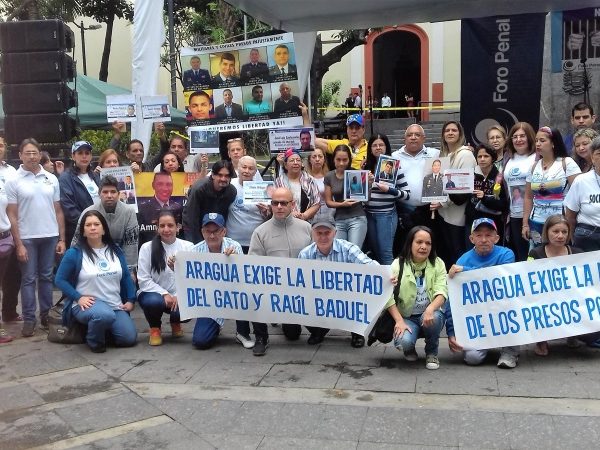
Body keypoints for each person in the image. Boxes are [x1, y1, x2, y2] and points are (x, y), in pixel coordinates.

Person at [55, 210, 137, 353]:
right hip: (87, 304)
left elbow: (125, 276)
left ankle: (100, 329)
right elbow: (60, 280)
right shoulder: (74, 253)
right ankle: (94, 341)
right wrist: (78, 297)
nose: (92, 228)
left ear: (104, 229)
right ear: (83, 231)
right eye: (88, 225)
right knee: (103, 315)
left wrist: (130, 299)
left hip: (114, 304)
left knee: (128, 338)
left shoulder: (116, 251)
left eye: (96, 224)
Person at [446, 218, 518, 368]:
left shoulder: (507, 254)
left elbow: (498, 279)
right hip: (479, 317)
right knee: (473, 358)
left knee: (516, 303)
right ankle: (484, 344)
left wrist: (466, 272)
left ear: (496, 238)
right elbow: (453, 300)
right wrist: (451, 332)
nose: (484, 240)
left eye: (489, 235)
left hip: (502, 309)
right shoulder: (463, 260)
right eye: (479, 235)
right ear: (471, 239)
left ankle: (510, 351)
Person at [248, 187, 312, 354]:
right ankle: (261, 337)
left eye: (283, 203)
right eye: (275, 203)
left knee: (293, 335)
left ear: (293, 204)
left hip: (300, 289)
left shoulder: (306, 228)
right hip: (271, 288)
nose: (279, 207)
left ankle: (289, 321)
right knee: (253, 294)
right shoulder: (260, 232)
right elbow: (254, 264)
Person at [298, 216, 378, 347]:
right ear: (312, 234)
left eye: (327, 233)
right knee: (299, 302)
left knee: (360, 297)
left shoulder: (348, 248)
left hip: (347, 296)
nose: (323, 237)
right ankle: (318, 331)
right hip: (319, 297)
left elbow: (368, 264)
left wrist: (385, 274)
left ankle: (357, 332)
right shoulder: (305, 254)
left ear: (335, 233)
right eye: (319, 233)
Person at [384, 226, 447, 369]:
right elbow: (387, 296)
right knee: (404, 342)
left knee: (436, 316)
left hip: (429, 315)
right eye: (419, 242)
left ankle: (432, 352)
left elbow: (442, 292)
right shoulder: (398, 264)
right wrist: (399, 321)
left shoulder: (438, 263)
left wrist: (430, 309)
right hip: (406, 317)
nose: (424, 246)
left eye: (428, 243)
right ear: (410, 243)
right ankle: (409, 348)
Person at [527, 215, 582, 356]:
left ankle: (574, 334)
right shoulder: (535, 253)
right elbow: (527, 280)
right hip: (544, 300)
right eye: (555, 231)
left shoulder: (578, 253)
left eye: (564, 232)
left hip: (571, 300)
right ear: (547, 232)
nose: (560, 236)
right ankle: (541, 341)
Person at [137, 211, 194, 346]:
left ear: (178, 227)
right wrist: (164, 293)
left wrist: (179, 295)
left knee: (186, 307)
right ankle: (155, 328)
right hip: (154, 294)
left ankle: (176, 321)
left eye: (170, 225)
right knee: (153, 303)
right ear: (157, 228)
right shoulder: (147, 248)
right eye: (162, 226)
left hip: (179, 294)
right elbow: (143, 280)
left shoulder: (189, 247)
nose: (166, 229)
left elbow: (193, 278)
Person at [189, 213, 244, 349]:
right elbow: (187, 280)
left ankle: (243, 332)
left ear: (224, 231)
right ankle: (215, 327)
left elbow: (243, 277)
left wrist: (236, 260)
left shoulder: (234, 246)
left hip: (232, 295)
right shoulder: (194, 251)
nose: (212, 235)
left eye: (216, 231)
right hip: (210, 301)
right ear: (202, 232)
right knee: (200, 341)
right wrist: (174, 266)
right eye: (208, 231)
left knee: (246, 295)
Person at [522, 127, 581, 248]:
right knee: (537, 255)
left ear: (553, 143)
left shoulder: (567, 163)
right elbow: (528, 197)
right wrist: (525, 224)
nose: (538, 144)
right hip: (536, 221)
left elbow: (579, 193)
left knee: (559, 255)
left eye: (542, 140)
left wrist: (572, 222)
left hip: (560, 222)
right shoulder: (533, 167)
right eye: (536, 140)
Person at [71, 175, 139, 274]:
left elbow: (131, 244)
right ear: (99, 194)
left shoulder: (129, 212)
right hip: (91, 260)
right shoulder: (88, 212)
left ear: (118, 194)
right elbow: (77, 242)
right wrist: (74, 266)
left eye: (113, 192)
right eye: (105, 192)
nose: (109, 195)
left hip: (120, 260)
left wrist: (129, 270)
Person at [433, 121, 476, 268]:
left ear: (460, 134)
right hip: (443, 214)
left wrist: (443, 202)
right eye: (447, 130)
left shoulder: (465, 155)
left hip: (457, 215)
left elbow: (462, 188)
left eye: (454, 130)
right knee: (448, 254)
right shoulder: (443, 155)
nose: (450, 133)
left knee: (458, 254)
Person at [391, 124, 440, 250]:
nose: (413, 137)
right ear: (404, 139)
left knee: (427, 246)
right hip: (404, 210)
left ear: (424, 138)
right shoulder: (394, 156)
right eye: (410, 135)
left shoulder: (435, 154)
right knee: (405, 246)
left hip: (428, 210)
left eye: (417, 135)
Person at [363, 134, 410, 265]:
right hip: (369, 214)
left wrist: (388, 190)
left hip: (386, 215)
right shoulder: (366, 167)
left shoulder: (394, 166)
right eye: (374, 145)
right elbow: (362, 197)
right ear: (370, 148)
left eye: (381, 145)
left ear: (386, 147)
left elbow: (407, 195)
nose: (378, 148)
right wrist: (368, 185)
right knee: (375, 252)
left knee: (385, 253)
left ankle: (392, 278)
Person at [503, 122, 537, 261]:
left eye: (522, 136)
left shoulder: (537, 157)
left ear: (530, 137)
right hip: (514, 215)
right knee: (520, 255)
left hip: (533, 215)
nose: (518, 139)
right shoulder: (508, 157)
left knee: (534, 256)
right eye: (515, 136)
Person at [183, 160, 237, 244]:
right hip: (197, 230)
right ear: (213, 175)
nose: (223, 179)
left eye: (227, 176)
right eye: (220, 175)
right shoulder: (199, 189)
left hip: (217, 232)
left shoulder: (232, 191)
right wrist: (194, 243)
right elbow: (190, 218)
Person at [324, 145, 367, 247]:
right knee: (339, 251)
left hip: (357, 217)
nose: (341, 163)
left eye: (345, 160)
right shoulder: (329, 176)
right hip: (339, 219)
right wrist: (342, 204)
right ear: (333, 159)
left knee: (353, 251)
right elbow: (328, 202)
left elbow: (365, 199)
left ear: (349, 160)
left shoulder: (356, 173)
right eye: (338, 159)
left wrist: (368, 184)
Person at [59, 141, 101, 247]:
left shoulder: (96, 176)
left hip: (99, 230)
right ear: (73, 156)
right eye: (80, 153)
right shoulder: (65, 178)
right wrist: (89, 223)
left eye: (87, 153)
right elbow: (69, 209)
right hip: (78, 232)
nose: (84, 156)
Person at [465, 144, 508, 246]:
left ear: (493, 158)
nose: (482, 159)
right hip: (473, 221)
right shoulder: (470, 175)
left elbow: (503, 204)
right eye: (479, 156)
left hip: (493, 223)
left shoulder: (499, 177)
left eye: (486, 156)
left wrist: (484, 198)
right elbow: (462, 198)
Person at [226, 156, 270, 253]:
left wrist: (265, 212)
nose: (247, 171)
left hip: (255, 241)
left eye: (251, 168)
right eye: (244, 167)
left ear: (255, 172)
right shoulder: (229, 185)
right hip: (233, 241)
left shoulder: (263, 188)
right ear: (238, 168)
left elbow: (268, 217)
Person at [565, 136, 600, 252]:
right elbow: (570, 216)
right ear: (592, 158)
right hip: (588, 235)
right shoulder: (581, 181)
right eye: (599, 154)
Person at [274, 149, 320, 222]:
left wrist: (304, 216)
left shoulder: (310, 180)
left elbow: (317, 203)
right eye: (292, 160)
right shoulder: (279, 182)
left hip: (307, 222)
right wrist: (290, 214)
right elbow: (276, 203)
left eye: (298, 160)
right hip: (285, 222)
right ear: (285, 165)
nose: (295, 163)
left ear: (302, 163)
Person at [138, 172, 183, 245]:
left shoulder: (179, 208)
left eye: (169, 184)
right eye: (160, 184)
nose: (165, 189)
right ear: (153, 185)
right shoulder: (142, 209)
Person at [0, 136, 16, 342]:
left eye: (1, 145)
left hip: (6, 236)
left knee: (11, 279)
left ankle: (9, 313)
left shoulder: (11, 171)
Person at [305, 148, 332, 218]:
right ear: (309, 160)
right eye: (314, 157)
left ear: (324, 159)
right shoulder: (304, 178)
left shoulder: (330, 176)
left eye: (320, 156)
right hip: (310, 215)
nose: (317, 159)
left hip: (329, 215)